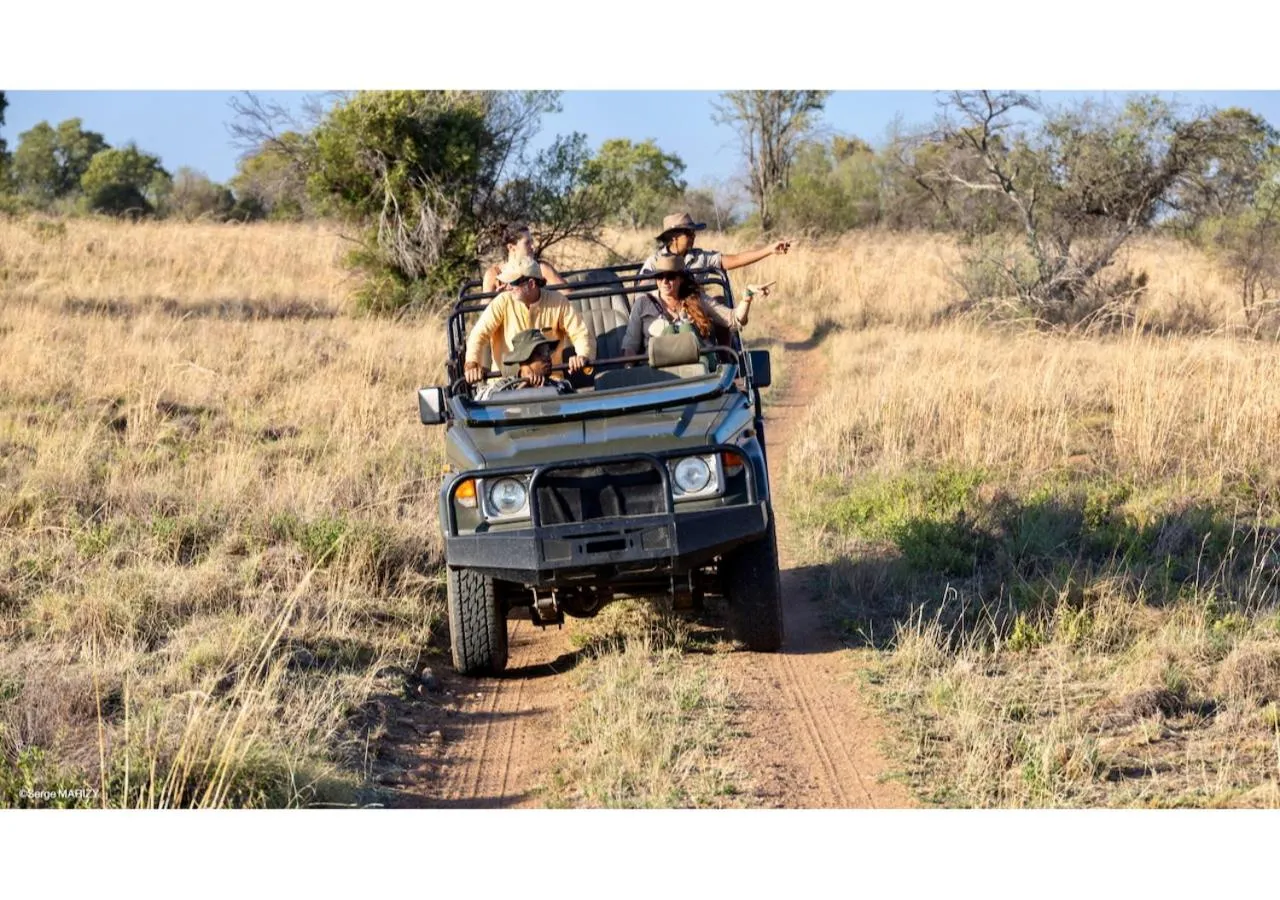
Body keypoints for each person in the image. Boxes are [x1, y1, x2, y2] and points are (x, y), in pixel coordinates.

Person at [465, 257, 594, 384]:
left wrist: (582, 355)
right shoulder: (501, 302)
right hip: (507, 383)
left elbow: (580, 333)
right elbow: (479, 334)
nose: (507, 287)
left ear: (531, 284)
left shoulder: (558, 302)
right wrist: (471, 365)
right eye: (507, 282)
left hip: (550, 381)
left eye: (513, 282)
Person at [621, 254, 771, 357]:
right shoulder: (642, 303)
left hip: (700, 373)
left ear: (680, 279)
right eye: (660, 276)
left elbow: (734, 319)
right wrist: (629, 373)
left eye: (670, 276)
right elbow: (630, 345)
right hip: (658, 374)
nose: (665, 282)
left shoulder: (697, 299)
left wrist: (747, 298)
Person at [637, 211, 792, 276]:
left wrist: (769, 250)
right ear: (674, 237)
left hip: (695, 315)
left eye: (694, 232)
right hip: (664, 322)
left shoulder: (700, 258)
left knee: (720, 301)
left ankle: (726, 340)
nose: (693, 236)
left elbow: (736, 259)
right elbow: (641, 295)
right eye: (688, 233)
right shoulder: (654, 262)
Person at [474, 329, 576, 400]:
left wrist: (547, 393)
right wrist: (521, 390)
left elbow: (573, 403)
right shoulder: (503, 387)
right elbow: (484, 404)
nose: (548, 358)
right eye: (542, 353)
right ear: (524, 360)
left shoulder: (558, 386)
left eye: (548, 352)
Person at [481, 223, 567, 294]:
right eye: (527, 243)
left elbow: (569, 294)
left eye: (532, 242)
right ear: (511, 247)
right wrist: (500, 298)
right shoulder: (493, 274)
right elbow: (485, 307)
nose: (533, 247)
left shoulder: (541, 268)